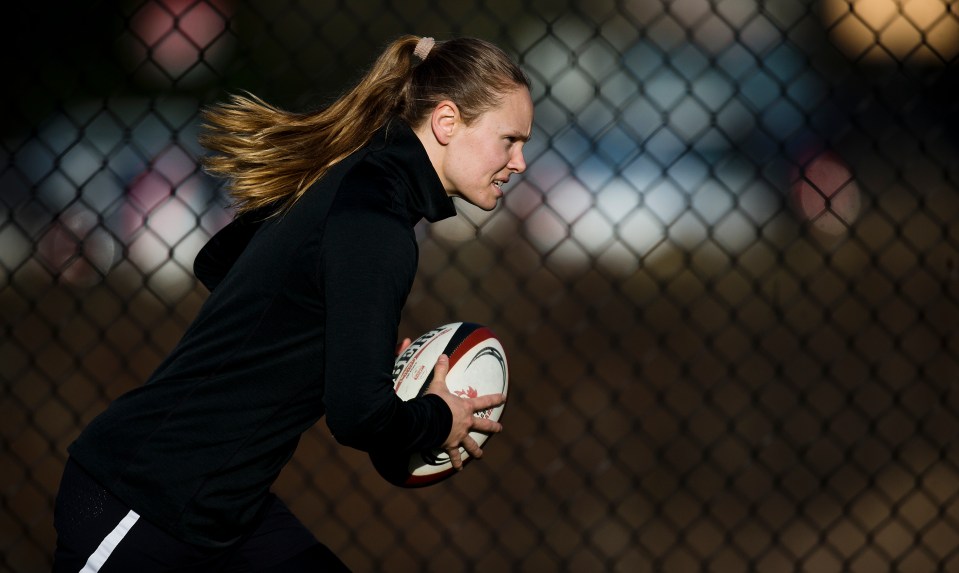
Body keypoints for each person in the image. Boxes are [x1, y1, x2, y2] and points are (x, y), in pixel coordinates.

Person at [52, 35, 533, 572]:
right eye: (509, 139)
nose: (520, 162)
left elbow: (219, 261)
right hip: (144, 497)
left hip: (225, 511)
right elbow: (358, 417)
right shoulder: (377, 222)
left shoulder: (358, 178)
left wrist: (341, 342)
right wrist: (438, 416)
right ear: (447, 123)